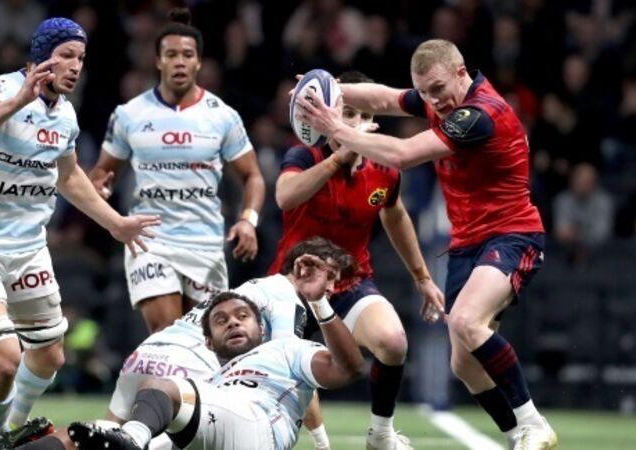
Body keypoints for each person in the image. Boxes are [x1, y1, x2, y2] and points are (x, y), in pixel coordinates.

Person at [295, 39, 558, 449]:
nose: (433, 100)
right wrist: (330, 90)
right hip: (467, 243)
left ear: (461, 72)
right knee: (464, 364)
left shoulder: (479, 115)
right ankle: (516, 437)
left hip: (511, 234)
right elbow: (384, 98)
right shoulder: (441, 100)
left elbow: (402, 154)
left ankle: (534, 423)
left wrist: (337, 128)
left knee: (466, 322)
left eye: (438, 89)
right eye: (424, 92)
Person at [0, 17, 160, 444]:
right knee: (5, 359)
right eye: (66, 56)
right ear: (41, 57)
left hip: (28, 249)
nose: (76, 66)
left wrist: (116, 223)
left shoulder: (65, 114)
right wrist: (18, 100)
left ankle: (15, 427)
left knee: (50, 356)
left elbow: (68, 175)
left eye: (81, 58)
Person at [0, 236, 355, 450]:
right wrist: (322, 442)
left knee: (100, 437)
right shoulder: (285, 297)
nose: (332, 287)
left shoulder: (250, 290)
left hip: (148, 355)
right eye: (330, 276)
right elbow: (289, 371)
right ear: (302, 268)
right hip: (189, 366)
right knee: (150, 442)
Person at [273, 70, 446, 450]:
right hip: (292, 285)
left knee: (394, 342)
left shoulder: (385, 170)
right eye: (347, 113)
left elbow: (394, 215)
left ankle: (381, 434)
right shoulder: (305, 155)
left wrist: (422, 277)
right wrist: (340, 158)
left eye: (363, 115)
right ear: (328, 116)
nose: (355, 123)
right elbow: (285, 197)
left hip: (349, 282)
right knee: (286, 371)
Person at [88, 7, 266, 333]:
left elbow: (252, 175)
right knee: (167, 330)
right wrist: (101, 188)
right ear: (158, 61)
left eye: (187, 55)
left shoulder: (222, 116)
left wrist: (248, 220)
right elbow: (102, 171)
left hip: (205, 242)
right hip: (150, 240)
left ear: (198, 62)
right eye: (171, 55)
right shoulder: (129, 114)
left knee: (202, 339)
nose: (179, 62)